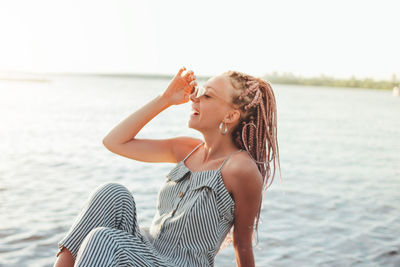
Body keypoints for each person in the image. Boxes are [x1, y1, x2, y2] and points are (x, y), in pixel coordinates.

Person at [54, 67, 282, 267]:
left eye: (208, 96)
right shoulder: (187, 150)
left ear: (231, 115)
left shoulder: (240, 169)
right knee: (112, 194)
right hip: (147, 250)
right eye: (199, 92)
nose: (195, 99)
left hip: (180, 263)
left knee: (104, 239)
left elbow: (242, 243)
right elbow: (114, 142)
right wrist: (165, 98)